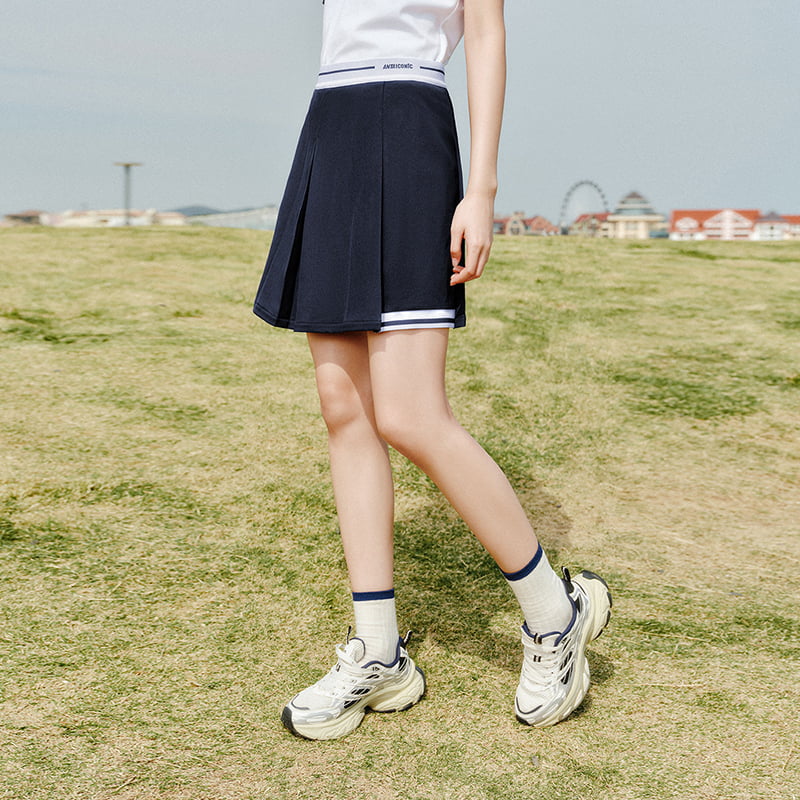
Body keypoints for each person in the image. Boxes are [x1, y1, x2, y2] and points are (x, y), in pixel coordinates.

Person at [253, 0, 611, 741]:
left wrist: (481, 190)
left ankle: (556, 613)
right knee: (344, 407)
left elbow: (486, 32)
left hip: (410, 122)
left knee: (411, 414)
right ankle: (379, 653)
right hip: (333, 123)